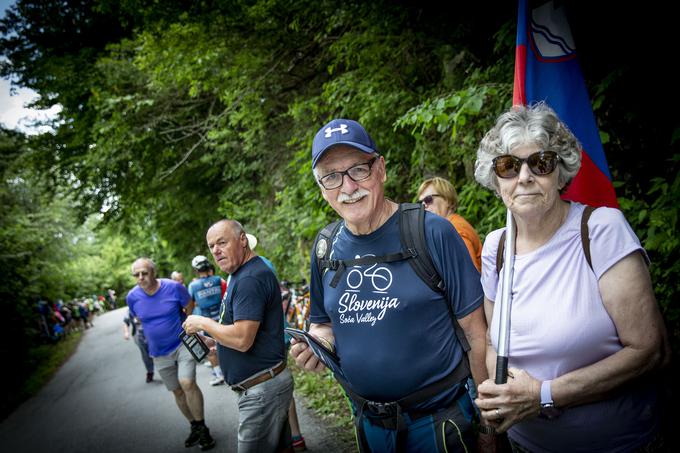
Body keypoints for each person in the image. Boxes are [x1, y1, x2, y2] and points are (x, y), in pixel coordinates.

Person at [472, 102, 670, 452]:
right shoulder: (495, 247)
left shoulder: (601, 231)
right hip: (525, 446)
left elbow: (650, 351)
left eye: (541, 163)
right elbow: (492, 342)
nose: (524, 177)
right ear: (495, 179)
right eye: (508, 166)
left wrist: (542, 396)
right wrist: (499, 393)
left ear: (560, 171)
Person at [291, 118, 490, 452]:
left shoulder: (432, 232)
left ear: (380, 169)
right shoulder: (324, 247)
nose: (348, 187)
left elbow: (476, 333)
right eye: (331, 176)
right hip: (369, 427)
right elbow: (323, 324)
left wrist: (488, 423)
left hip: (440, 425)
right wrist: (316, 345)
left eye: (358, 169)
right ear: (321, 187)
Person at [182, 220, 294, 453]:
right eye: (211, 246)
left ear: (242, 239)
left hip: (261, 391)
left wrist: (203, 322)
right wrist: (215, 340)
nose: (216, 250)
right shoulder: (243, 274)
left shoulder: (249, 279)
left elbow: (243, 340)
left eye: (222, 242)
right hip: (265, 386)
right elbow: (248, 330)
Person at [127, 257, 216, 451]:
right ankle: (194, 426)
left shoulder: (173, 287)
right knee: (176, 390)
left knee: (187, 382)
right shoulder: (132, 297)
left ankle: (203, 428)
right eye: (137, 274)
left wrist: (186, 324)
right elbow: (137, 318)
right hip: (158, 352)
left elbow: (189, 305)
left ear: (154, 272)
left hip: (182, 343)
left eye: (144, 272)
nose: (141, 277)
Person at [247, 232, 307, 452]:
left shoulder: (254, 269)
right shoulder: (265, 264)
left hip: (266, 337)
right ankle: (295, 437)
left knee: (275, 387)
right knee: (280, 386)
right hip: (275, 334)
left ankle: (288, 438)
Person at [416, 177, 482, 272]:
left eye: (428, 199)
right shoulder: (449, 226)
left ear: (447, 200)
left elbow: (471, 274)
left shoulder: (455, 229)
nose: (424, 205)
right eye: (420, 203)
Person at [188, 255, 227, 386]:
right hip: (222, 317)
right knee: (228, 342)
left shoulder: (193, 285)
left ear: (196, 270)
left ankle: (219, 374)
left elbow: (190, 304)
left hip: (206, 320)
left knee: (210, 349)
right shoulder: (218, 279)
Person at [122, 307, 154, 383]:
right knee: (146, 355)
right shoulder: (130, 309)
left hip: (152, 333)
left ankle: (167, 370)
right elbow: (125, 322)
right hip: (138, 335)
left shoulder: (148, 302)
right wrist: (126, 333)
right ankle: (150, 372)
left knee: (157, 352)